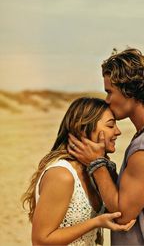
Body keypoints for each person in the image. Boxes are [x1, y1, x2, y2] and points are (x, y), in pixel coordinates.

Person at [68, 48, 144, 246]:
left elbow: (122, 215)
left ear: (130, 90)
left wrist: (96, 164)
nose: (107, 100)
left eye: (110, 92)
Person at [22, 97, 135, 246]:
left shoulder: (94, 171)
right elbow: (40, 240)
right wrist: (96, 222)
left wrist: (102, 164)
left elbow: (118, 207)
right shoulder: (62, 175)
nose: (118, 132)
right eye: (110, 125)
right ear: (84, 128)